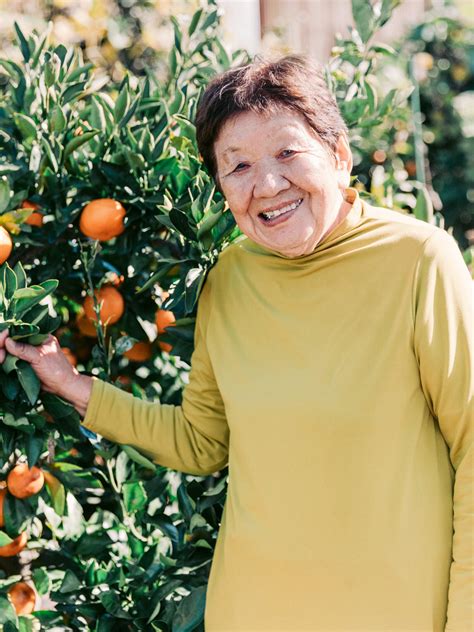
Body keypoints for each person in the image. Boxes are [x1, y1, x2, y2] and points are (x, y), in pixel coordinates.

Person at [0, 56, 472, 631]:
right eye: (238, 166)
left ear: (339, 154)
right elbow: (202, 441)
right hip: (253, 609)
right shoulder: (230, 276)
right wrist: (73, 385)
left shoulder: (419, 261)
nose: (267, 184)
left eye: (287, 153)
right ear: (222, 186)